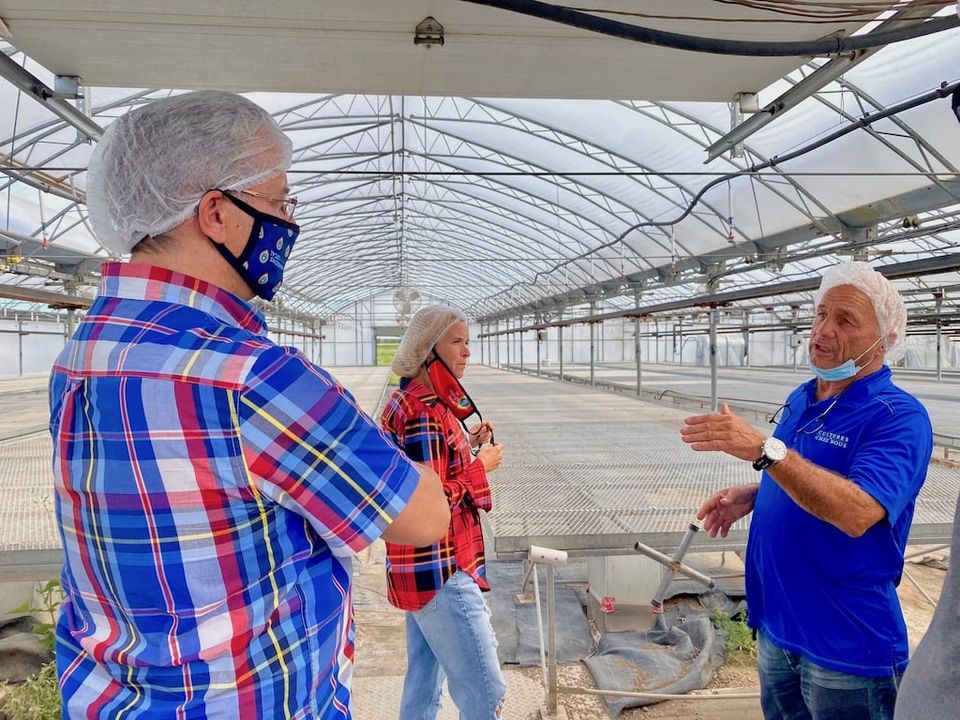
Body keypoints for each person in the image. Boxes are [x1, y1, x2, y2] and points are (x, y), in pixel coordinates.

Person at [50, 91, 449, 719]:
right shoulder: (252, 377)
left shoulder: (86, 350)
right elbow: (423, 517)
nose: (287, 224)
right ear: (216, 212)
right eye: (278, 204)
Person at [680, 261, 932, 720]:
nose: (823, 329)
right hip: (778, 627)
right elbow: (802, 470)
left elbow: (858, 511)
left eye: (845, 320)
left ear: (884, 339)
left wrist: (763, 450)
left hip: (846, 646)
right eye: (820, 314)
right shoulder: (805, 396)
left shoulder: (897, 418)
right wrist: (756, 493)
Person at [382, 305, 507, 720]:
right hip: (443, 570)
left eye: (468, 342)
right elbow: (429, 504)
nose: (467, 352)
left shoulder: (415, 403)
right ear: (426, 351)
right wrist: (480, 466)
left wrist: (467, 443)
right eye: (457, 342)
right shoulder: (424, 415)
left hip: (417, 570)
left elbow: (431, 474)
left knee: (423, 685)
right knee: (486, 693)